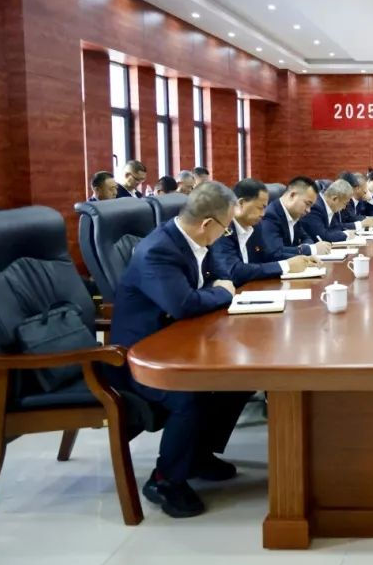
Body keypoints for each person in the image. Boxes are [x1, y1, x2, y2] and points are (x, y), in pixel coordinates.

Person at [109, 182, 254, 517]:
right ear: (207, 223)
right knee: (188, 396)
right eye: (225, 227)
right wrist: (224, 293)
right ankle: (165, 480)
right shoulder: (158, 251)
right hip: (140, 358)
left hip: (179, 342)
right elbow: (185, 303)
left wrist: (219, 289)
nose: (226, 234)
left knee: (240, 380)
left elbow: (219, 278)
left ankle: (198, 455)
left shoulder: (194, 241)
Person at [210, 178, 319, 286]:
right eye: (260, 208)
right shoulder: (222, 228)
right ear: (241, 203)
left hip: (252, 287)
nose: (263, 214)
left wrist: (301, 259)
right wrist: (286, 266)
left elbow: (268, 255)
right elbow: (233, 271)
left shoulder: (255, 226)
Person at [259, 177, 333, 258]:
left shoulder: (294, 215)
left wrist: (305, 247)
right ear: (292, 195)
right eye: (307, 204)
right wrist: (311, 249)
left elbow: (306, 238)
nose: (308, 210)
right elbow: (275, 252)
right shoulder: (270, 215)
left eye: (311, 206)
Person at [299, 178, 354, 243]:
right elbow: (323, 237)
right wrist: (347, 234)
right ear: (334, 199)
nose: (344, 208)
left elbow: (336, 228)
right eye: (345, 204)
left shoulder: (332, 207)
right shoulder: (315, 207)